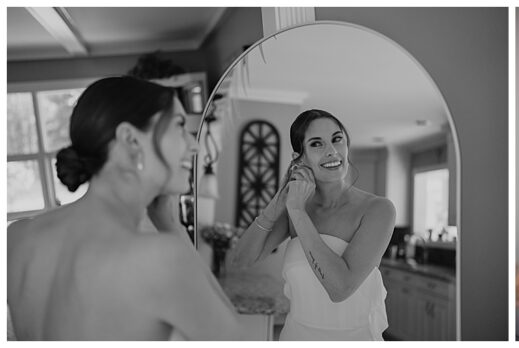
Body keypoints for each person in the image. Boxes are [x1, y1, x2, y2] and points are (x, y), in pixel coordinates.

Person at [7, 77, 241, 340]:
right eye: (179, 126)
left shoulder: (17, 237)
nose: (195, 144)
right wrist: (170, 226)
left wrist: (163, 217)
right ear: (131, 140)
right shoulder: (161, 259)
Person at [233, 109, 396, 340]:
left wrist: (298, 212)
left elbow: (340, 289)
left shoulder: (378, 210)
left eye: (337, 139)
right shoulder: (294, 207)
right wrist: (279, 200)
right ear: (299, 158)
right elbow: (241, 259)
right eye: (316, 144)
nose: (331, 151)